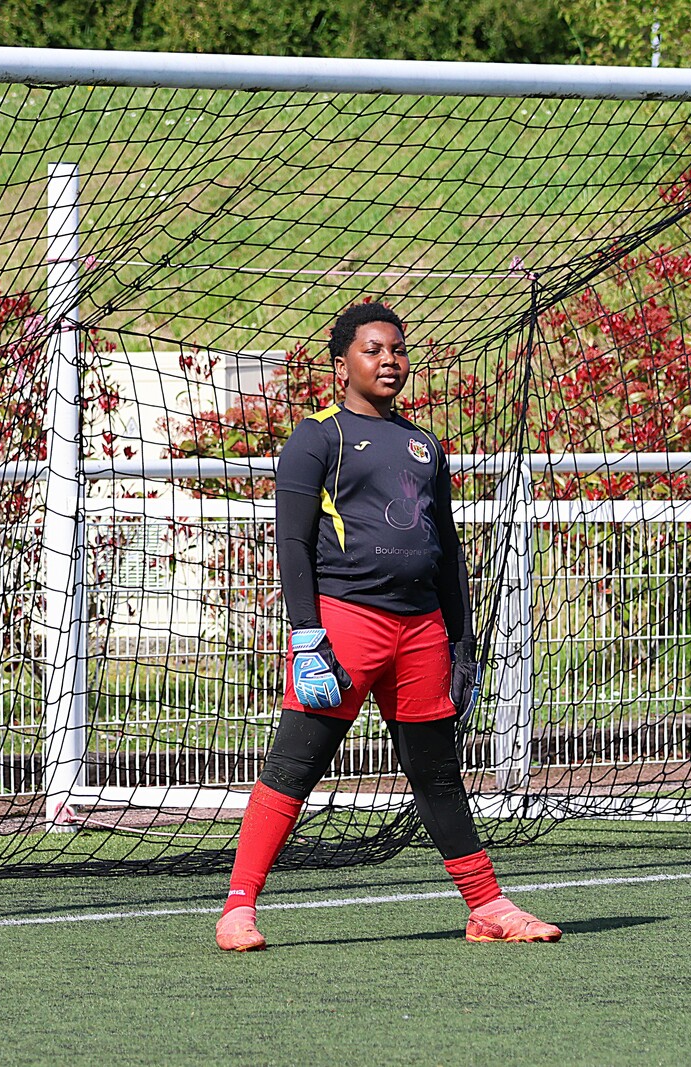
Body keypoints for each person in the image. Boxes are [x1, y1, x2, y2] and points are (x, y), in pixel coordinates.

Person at [214, 301, 562, 951]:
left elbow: (448, 548)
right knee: (294, 765)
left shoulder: (424, 444)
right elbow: (293, 542)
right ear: (341, 362)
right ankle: (238, 908)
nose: (388, 361)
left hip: (422, 632)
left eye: (397, 349)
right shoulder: (317, 437)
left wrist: (461, 641)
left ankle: (488, 907)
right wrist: (306, 634)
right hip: (345, 624)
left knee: (437, 773)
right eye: (372, 349)